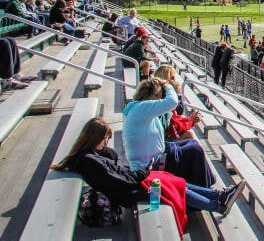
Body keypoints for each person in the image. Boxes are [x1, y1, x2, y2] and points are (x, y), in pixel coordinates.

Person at [52, 117, 246, 233]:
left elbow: (116, 172)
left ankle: (219, 196)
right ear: (95, 138)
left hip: (132, 185)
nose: (105, 143)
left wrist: (143, 171)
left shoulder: (90, 156)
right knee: (170, 185)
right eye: (104, 139)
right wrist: (145, 171)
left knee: (174, 181)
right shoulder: (89, 160)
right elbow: (118, 179)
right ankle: (218, 204)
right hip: (132, 192)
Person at [122, 77, 215, 187]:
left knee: (193, 144)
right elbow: (173, 102)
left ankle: (208, 187)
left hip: (155, 156)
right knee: (194, 150)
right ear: (154, 95)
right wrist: (167, 84)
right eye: (160, 96)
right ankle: (206, 188)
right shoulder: (141, 108)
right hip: (149, 164)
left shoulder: (140, 108)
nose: (161, 100)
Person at [154, 65, 201, 141]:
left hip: (166, 132)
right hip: (163, 139)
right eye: (172, 77)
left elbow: (175, 119)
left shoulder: (165, 94)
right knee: (190, 134)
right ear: (165, 80)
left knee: (185, 123)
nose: (175, 79)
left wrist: (188, 120)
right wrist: (191, 122)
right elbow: (174, 128)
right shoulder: (166, 98)